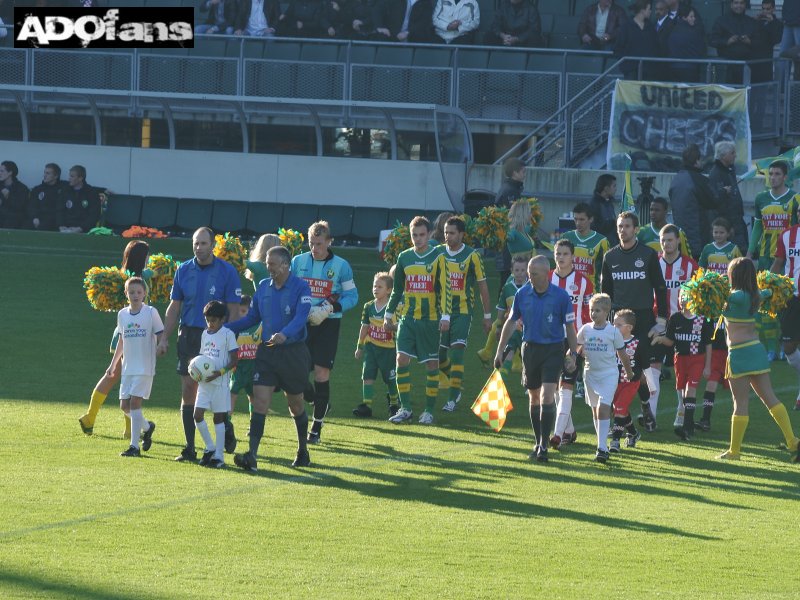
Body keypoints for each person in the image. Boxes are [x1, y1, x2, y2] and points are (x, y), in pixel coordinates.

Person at [158, 227, 242, 463]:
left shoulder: (227, 272)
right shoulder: (183, 270)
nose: (199, 247)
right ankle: (190, 447)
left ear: (212, 245)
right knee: (188, 389)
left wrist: (230, 339)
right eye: (196, 243)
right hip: (190, 335)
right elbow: (175, 307)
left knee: (215, 389)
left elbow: (234, 309)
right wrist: (164, 337)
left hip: (217, 337)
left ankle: (225, 427)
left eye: (204, 243)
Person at [226, 246, 313, 471]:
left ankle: (302, 449)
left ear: (285, 265)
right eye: (267, 262)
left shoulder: (301, 287)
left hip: (293, 353)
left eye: (272, 263)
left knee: (295, 404)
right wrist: (225, 328)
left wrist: (286, 333)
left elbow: (302, 317)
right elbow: (252, 318)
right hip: (267, 351)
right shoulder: (263, 287)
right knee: (260, 401)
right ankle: (252, 455)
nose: (268, 267)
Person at [494, 256, 578, 463]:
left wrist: (573, 353)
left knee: (548, 395)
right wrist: (499, 351)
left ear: (546, 273)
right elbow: (511, 322)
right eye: (529, 273)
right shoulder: (522, 294)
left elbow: (570, 327)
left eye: (534, 274)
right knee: (534, 397)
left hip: (553, 349)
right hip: (530, 349)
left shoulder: (560, 297)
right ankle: (539, 439)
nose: (529, 277)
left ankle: (543, 446)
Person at [717, 257, 799, 461]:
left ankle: (734, 452)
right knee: (770, 398)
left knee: (740, 403)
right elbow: (769, 292)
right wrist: (770, 289)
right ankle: (793, 441)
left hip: (739, 353)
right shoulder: (757, 295)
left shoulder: (734, 296)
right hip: (757, 350)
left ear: (733, 275)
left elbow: (720, 297)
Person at [291, 220, 358, 444]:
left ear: (329, 242)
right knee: (298, 375)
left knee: (321, 374)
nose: (315, 248)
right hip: (302, 324)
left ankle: (316, 428)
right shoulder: (297, 262)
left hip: (328, 325)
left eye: (319, 244)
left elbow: (352, 296)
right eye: (311, 243)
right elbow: (290, 290)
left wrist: (331, 308)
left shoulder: (341, 266)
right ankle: (319, 402)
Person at [601, 211, 668, 432]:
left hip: (643, 318)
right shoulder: (610, 257)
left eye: (627, 226)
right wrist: (605, 321)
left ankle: (646, 406)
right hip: (618, 319)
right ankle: (619, 419)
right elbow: (605, 294)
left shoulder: (648, 255)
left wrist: (661, 319)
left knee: (637, 370)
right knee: (616, 369)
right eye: (620, 226)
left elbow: (660, 287)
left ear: (636, 229)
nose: (623, 230)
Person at [79, 240, 151, 437]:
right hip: (131, 337)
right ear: (141, 257)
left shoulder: (123, 278)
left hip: (121, 335)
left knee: (116, 377)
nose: (149, 259)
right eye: (147, 255)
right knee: (127, 379)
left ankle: (91, 418)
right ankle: (124, 428)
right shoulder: (139, 281)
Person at [384, 216, 450, 424]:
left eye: (422, 235)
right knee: (401, 360)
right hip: (408, 320)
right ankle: (405, 409)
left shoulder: (438, 256)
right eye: (414, 235)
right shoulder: (404, 257)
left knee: (432, 364)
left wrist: (446, 316)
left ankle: (429, 411)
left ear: (429, 234)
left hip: (430, 320)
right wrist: (388, 313)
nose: (418, 239)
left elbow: (446, 288)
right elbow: (397, 290)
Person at [438, 216, 492, 413]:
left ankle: (452, 398)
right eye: (445, 232)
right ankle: (456, 382)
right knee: (439, 355)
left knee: (457, 350)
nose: (448, 236)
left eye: (452, 233)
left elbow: (483, 287)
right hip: (441, 312)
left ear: (462, 234)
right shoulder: (438, 253)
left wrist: (487, 316)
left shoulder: (472, 256)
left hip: (462, 312)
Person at [106, 277, 162, 458]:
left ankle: (134, 447)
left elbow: (160, 334)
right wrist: (113, 364)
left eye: (139, 292)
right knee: (124, 406)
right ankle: (147, 427)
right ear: (126, 294)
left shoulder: (151, 312)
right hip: (128, 367)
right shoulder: (122, 314)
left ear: (145, 293)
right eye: (132, 292)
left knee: (135, 403)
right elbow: (122, 341)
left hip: (145, 367)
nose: (135, 295)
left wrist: (161, 345)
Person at [577, 293, 634, 463]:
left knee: (603, 408)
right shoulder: (586, 329)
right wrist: (571, 357)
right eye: (592, 310)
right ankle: (601, 444)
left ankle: (601, 448)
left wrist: (629, 372)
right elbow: (577, 346)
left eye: (598, 311)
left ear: (607, 311)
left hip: (609, 374)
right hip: (590, 375)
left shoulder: (613, 332)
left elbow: (622, 354)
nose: (594, 314)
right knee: (595, 410)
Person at [550, 239, 593, 450]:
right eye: (558, 253)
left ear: (573, 257)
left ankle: (558, 435)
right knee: (555, 390)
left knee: (566, 386)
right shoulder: (546, 278)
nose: (561, 257)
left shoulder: (584, 282)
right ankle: (570, 430)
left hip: (573, 340)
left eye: (565, 254)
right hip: (549, 339)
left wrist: (581, 342)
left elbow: (590, 314)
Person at [652, 293, 712, 440]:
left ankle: (687, 427)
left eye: (687, 297)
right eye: (681, 297)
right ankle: (688, 424)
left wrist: (707, 366)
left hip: (696, 359)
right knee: (683, 392)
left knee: (690, 390)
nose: (683, 300)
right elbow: (670, 341)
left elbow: (709, 344)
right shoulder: (675, 318)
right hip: (680, 360)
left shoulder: (702, 319)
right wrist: (659, 339)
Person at [194, 301, 239, 468]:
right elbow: (201, 358)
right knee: (197, 415)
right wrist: (196, 371)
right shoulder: (205, 334)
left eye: (213, 320)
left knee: (218, 418)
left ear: (222, 320)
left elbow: (234, 360)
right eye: (207, 320)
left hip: (220, 384)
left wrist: (218, 373)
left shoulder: (228, 335)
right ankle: (210, 448)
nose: (210, 323)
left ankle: (218, 457)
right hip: (205, 384)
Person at [353, 272, 400, 418]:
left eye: (380, 286)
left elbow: (400, 325)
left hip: (389, 350)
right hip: (371, 349)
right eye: (374, 286)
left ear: (388, 290)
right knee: (367, 375)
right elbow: (364, 327)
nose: (375, 289)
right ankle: (366, 406)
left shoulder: (393, 308)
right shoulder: (368, 306)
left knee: (390, 378)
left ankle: (394, 404)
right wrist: (359, 347)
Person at [668, 144, 719, 259]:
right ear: (696, 161)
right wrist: (722, 191)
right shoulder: (699, 180)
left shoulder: (676, 179)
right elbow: (713, 201)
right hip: (698, 237)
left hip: (680, 236)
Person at [747, 160, 798, 271]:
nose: (772, 177)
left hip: (787, 255)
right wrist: (749, 252)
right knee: (764, 287)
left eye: (777, 174)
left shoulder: (796, 198)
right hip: (765, 254)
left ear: (785, 177)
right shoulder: (761, 198)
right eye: (770, 174)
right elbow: (758, 226)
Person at [770, 221, 800, 411]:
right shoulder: (787, 235)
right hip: (791, 298)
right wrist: (765, 285)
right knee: (788, 347)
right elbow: (778, 263)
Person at [609, 309, 647, 452]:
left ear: (629, 328)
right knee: (619, 409)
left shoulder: (637, 343)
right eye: (613, 324)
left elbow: (645, 365)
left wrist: (651, 384)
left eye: (618, 325)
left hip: (630, 382)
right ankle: (633, 433)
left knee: (619, 408)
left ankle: (615, 442)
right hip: (613, 381)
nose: (614, 327)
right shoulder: (611, 341)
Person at [228, 295, 261, 445]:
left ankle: (254, 424)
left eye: (247, 311)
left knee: (253, 396)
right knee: (232, 394)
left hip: (254, 368)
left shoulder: (259, 327)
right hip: (239, 368)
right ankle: (227, 423)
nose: (244, 314)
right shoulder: (234, 329)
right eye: (241, 311)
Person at [707, 141, 747, 253]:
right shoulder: (716, 174)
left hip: (736, 223)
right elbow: (717, 203)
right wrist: (728, 227)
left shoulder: (729, 171)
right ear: (723, 156)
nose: (735, 155)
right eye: (732, 153)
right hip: (729, 227)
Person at [561, 202, 609, 292]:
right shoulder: (566, 237)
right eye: (576, 219)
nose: (578, 223)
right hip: (568, 291)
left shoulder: (602, 241)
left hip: (591, 292)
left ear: (591, 219)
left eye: (582, 219)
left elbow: (608, 270)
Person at [493, 255, 529, 377]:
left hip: (528, 330)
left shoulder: (532, 287)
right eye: (517, 270)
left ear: (527, 271)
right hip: (513, 328)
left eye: (523, 270)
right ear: (511, 271)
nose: (519, 273)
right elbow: (501, 309)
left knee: (528, 359)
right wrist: (498, 326)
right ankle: (500, 382)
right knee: (508, 353)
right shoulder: (507, 288)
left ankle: (531, 384)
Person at [710, 0, 759, 85]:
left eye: (741, 3)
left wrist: (750, 41)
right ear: (731, 5)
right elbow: (712, 40)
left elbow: (760, 42)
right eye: (736, 3)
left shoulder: (752, 22)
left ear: (745, 5)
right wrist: (727, 42)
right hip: (726, 67)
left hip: (747, 67)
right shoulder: (721, 20)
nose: (739, 6)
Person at [613, 0, 659, 81]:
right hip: (631, 71)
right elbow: (618, 49)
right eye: (649, 9)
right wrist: (627, 64)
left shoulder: (651, 27)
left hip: (648, 71)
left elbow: (655, 47)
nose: (651, 11)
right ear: (642, 10)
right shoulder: (626, 27)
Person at [667, 6, 707, 82]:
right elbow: (701, 49)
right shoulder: (694, 32)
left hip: (673, 67)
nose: (694, 19)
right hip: (690, 68)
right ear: (684, 17)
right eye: (691, 16)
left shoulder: (671, 30)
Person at [58, 165, 101, 234]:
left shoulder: (91, 193)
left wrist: (81, 228)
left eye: (72, 176)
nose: (69, 179)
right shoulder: (65, 191)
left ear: (80, 178)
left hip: (84, 230)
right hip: (65, 228)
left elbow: (94, 215)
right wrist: (61, 225)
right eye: (69, 176)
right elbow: (59, 211)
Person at [28, 163, 64, 232]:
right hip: (37, 218)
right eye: (44, 173)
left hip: (54, 220)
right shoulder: (37, 189)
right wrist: (34, 217)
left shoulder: (64, 188)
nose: (44, 175)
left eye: (48, 173)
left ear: (56, 176)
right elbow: (31, 206)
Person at [0, 160, 30, 230]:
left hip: (13, 219)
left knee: (11, 219)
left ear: (10, 173)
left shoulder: (22, 188)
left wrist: (8, 197)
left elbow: (21, 207)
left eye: (2, 171)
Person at [589, 174, 618, 244]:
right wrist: (614, 222)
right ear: (606, 188)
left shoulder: (609, 203)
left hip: (612, 245)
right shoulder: (594, 205)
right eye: (614, 186)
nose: (616, 189)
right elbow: (594, 227)